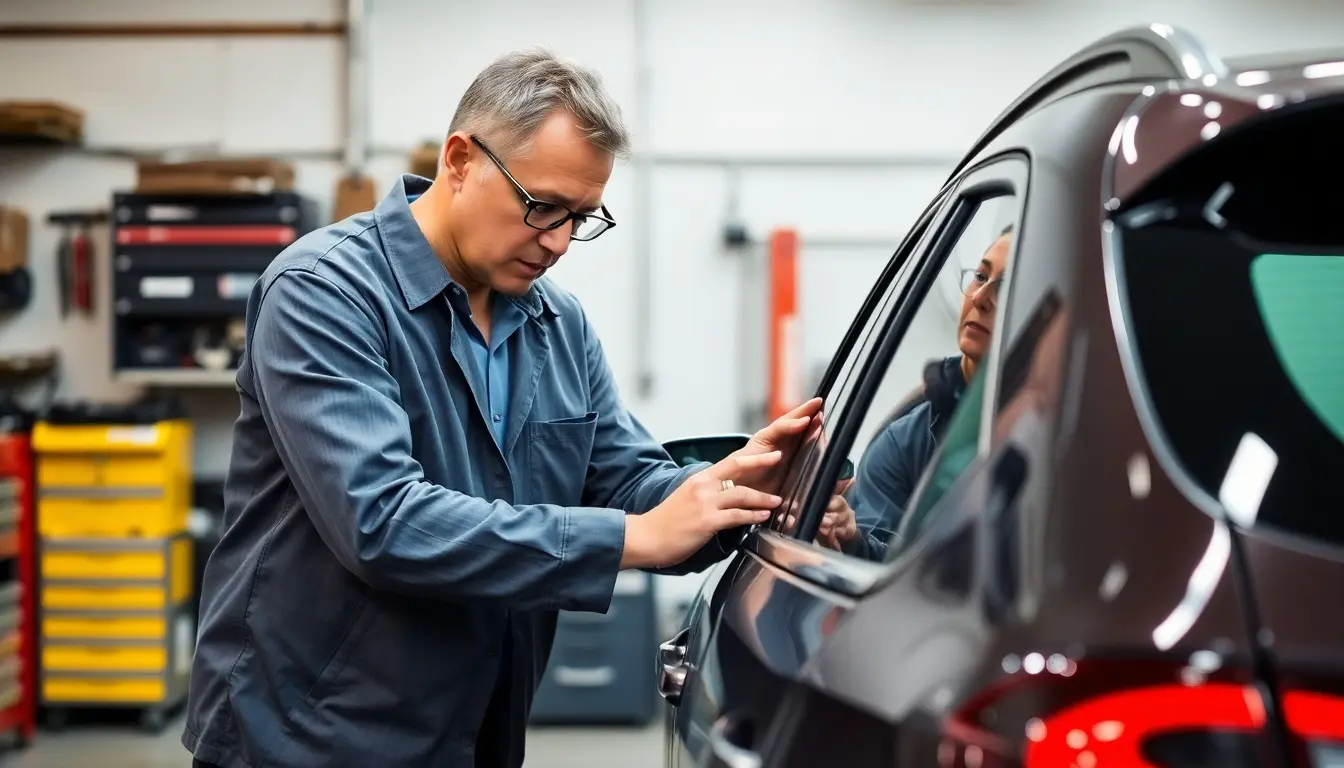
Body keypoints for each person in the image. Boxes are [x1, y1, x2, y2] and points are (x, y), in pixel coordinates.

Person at [182, 48, 821, 768]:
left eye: (580, 218)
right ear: (460, 159)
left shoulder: (557, 325)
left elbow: (624, 480)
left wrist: (734, 490)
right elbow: (381, 520)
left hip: (477, 730)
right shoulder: (325, 292)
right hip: (308, 736)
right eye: (542, 206)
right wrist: (629, 539)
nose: (556, 243)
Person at [817, 225, 1012, 556]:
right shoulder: (903, 443)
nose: (980, 298)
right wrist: (853, 540)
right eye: (980, 276)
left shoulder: (1064, 430)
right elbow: (878, 574)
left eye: (1006, 288)